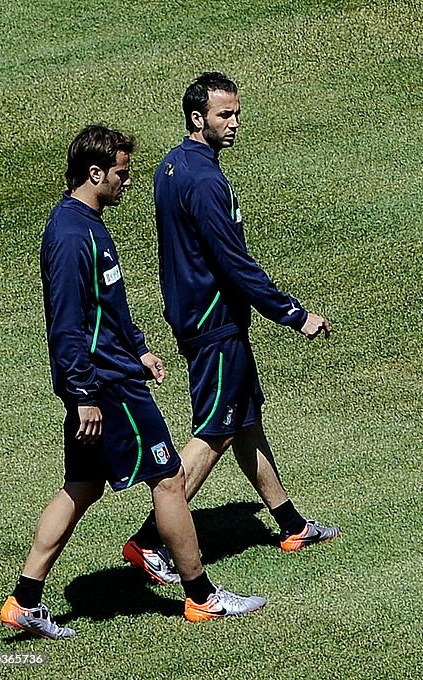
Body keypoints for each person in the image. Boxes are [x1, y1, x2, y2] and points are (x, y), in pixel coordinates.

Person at [1, 125, 265, 640]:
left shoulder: (84, 223)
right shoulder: (72, 235)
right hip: (107, 389)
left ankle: (24, 601)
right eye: (121, 173)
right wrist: (83, 395)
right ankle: (202, 597)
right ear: (95, 172)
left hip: (112, 375)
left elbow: (107, 305)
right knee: (168, 479)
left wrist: (140, 346)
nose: (127, 181)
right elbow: (68, 324)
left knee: (81, 486)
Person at [122, 73, 339, 584]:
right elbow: (233, 263)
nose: (235, 123)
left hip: (196, 313)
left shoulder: (171, 167)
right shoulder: (204, 180)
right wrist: (293, 313)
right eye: (225, 115)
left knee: (246, 422)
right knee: (216, 430)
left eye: (237, 113)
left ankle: (290, 524)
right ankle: (151, 540)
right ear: (198, 118)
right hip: (214, 322)